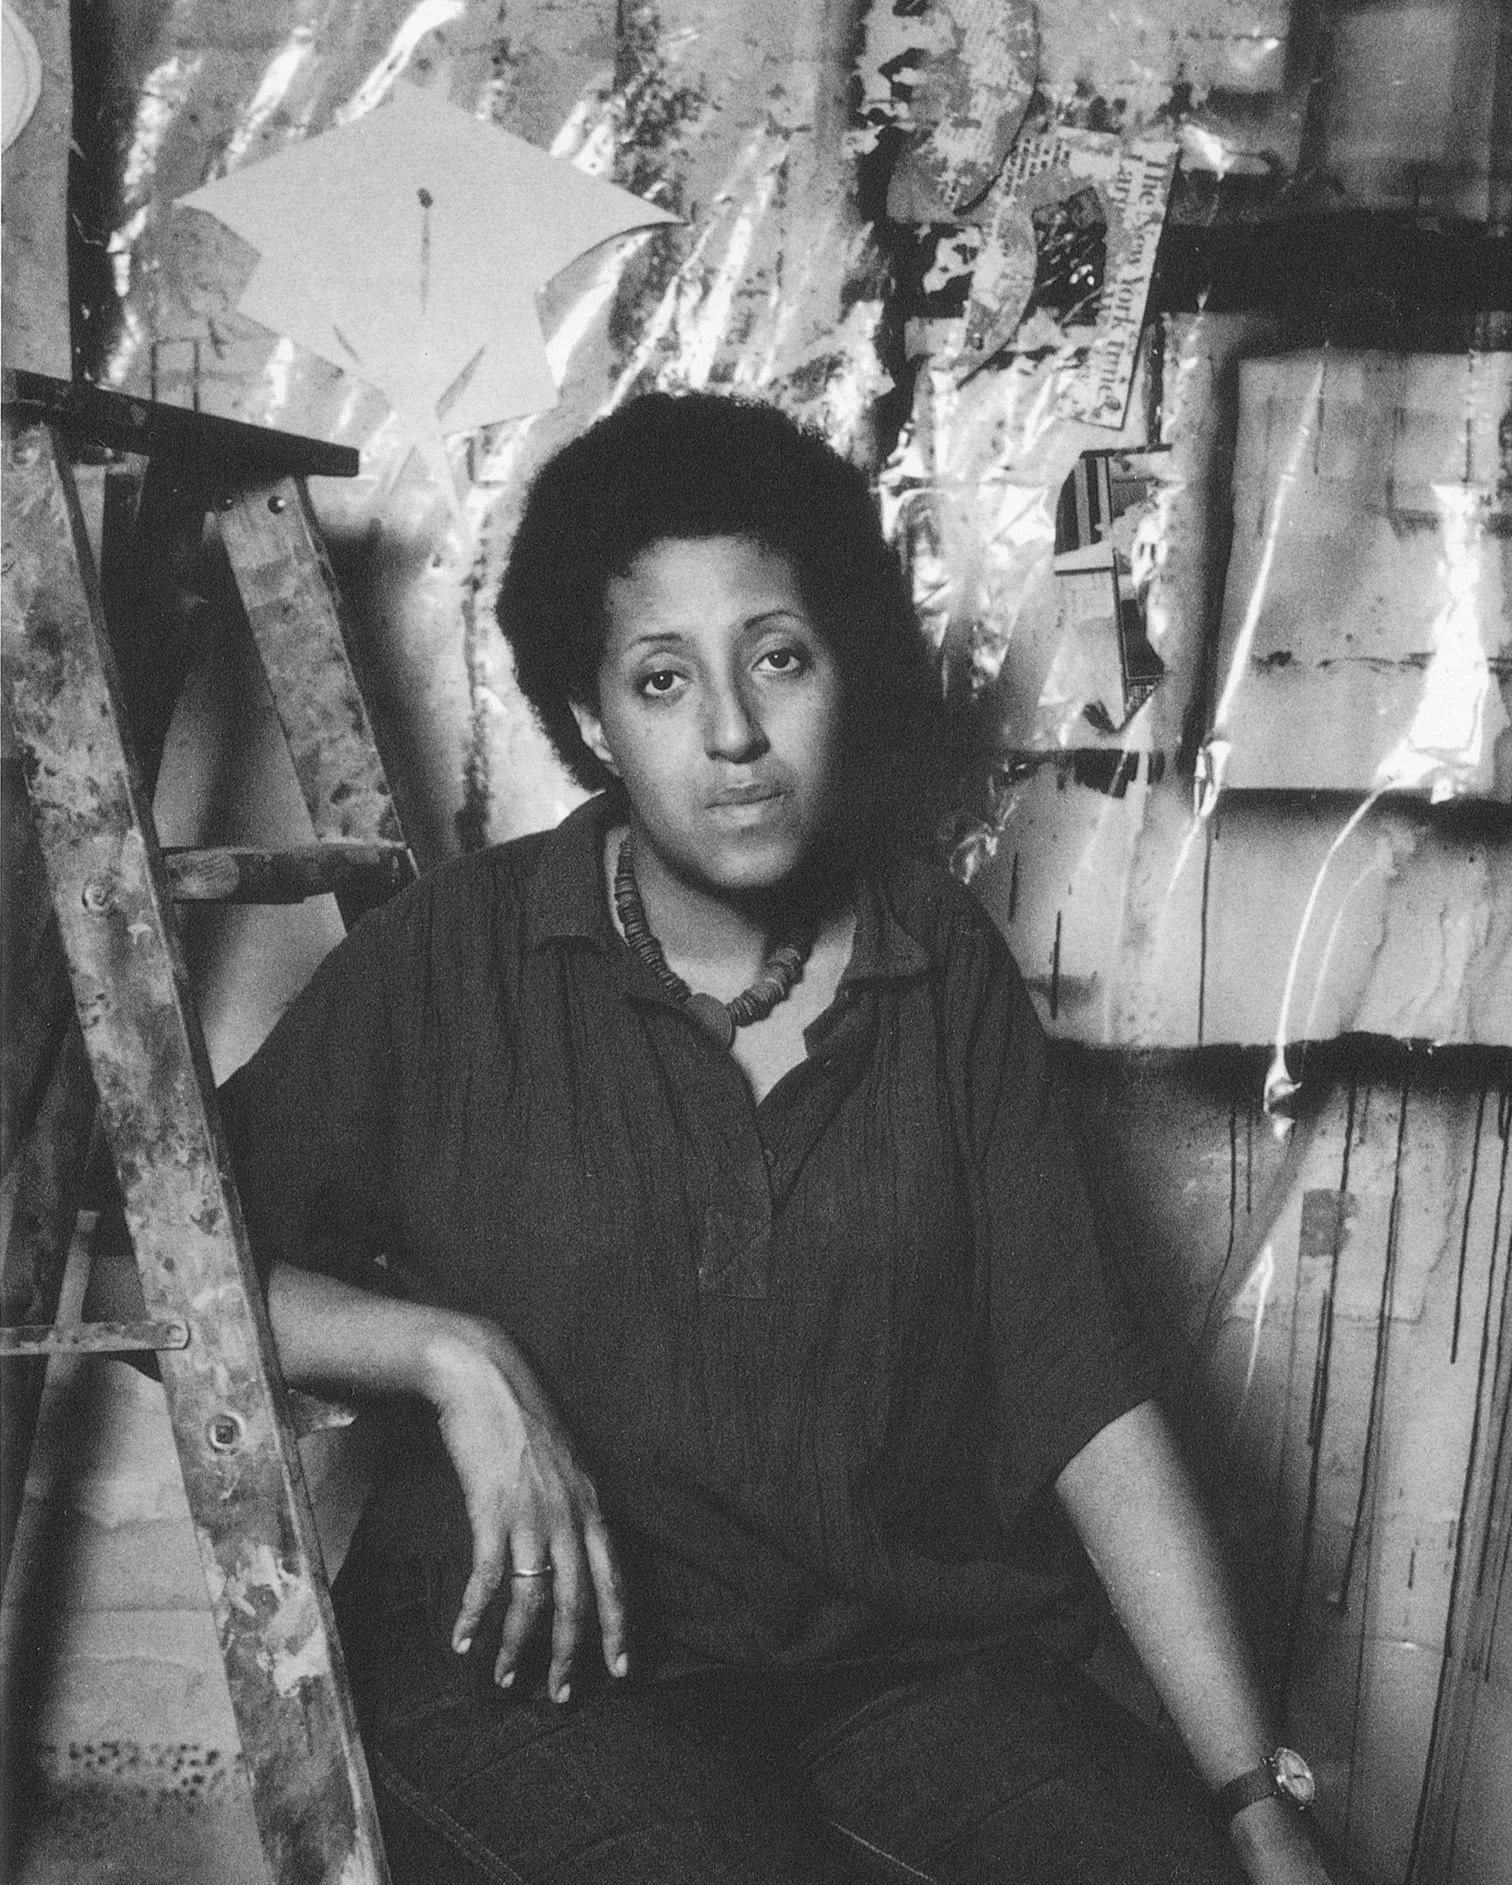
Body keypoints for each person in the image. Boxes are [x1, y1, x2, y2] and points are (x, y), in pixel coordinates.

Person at [221, 391, 1338, 1884]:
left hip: (899, 1666)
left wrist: (1252, 1802)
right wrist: (444, 1352)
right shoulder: (454, 961)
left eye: (779, 659)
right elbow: (155, 1261)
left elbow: (1087, 1400)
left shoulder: (936, 964)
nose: (737, 736)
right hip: (537, 1667)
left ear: (843, 675)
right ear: (585, 720)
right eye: (665, 680)